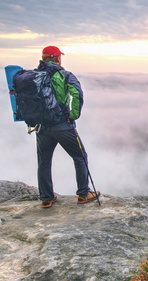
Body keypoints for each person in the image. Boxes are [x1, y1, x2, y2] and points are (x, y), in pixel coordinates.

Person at [36, 45, 100, 208]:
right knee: (80, 156)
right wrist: (73, 116)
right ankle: (83, 194)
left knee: (44, 161)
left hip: (42, 126)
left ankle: (46, 198)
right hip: (62, 124)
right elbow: (77, 93)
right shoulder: (64, 75)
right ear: (58, 59)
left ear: (43, 58)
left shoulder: (35, 76)